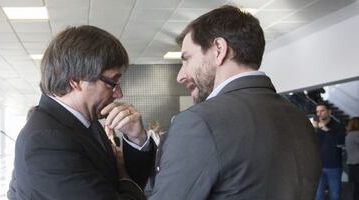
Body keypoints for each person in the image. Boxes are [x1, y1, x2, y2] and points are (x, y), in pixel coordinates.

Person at [149, 5, 321, 199]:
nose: (181, 75)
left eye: (187, 59)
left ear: (219, 50)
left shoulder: (199, 122)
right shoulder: (300, 119)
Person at [11, 25, 154, 200]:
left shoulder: (85, 122)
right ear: (76, 81)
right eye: (112, 82)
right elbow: (125, 183)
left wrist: (136, 138)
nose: (119, 93)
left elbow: (128, 184)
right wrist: (123, 175)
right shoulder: (46, 140)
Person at [313, 102, 346, 200]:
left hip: (334, 166)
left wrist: (325, 128)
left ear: (329, 112)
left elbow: (340, 142)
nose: (319, 114)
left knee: (335, 195)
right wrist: (313, 129)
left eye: (322, 111)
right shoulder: (316, 128)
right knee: (318, 196)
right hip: (318, 167)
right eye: (317, 111)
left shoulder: (338, 126)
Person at [345, 117, 359, 200]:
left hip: (351, 165)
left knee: (354, 189)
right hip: (358, 164)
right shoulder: (356, 134)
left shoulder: (348, 135)